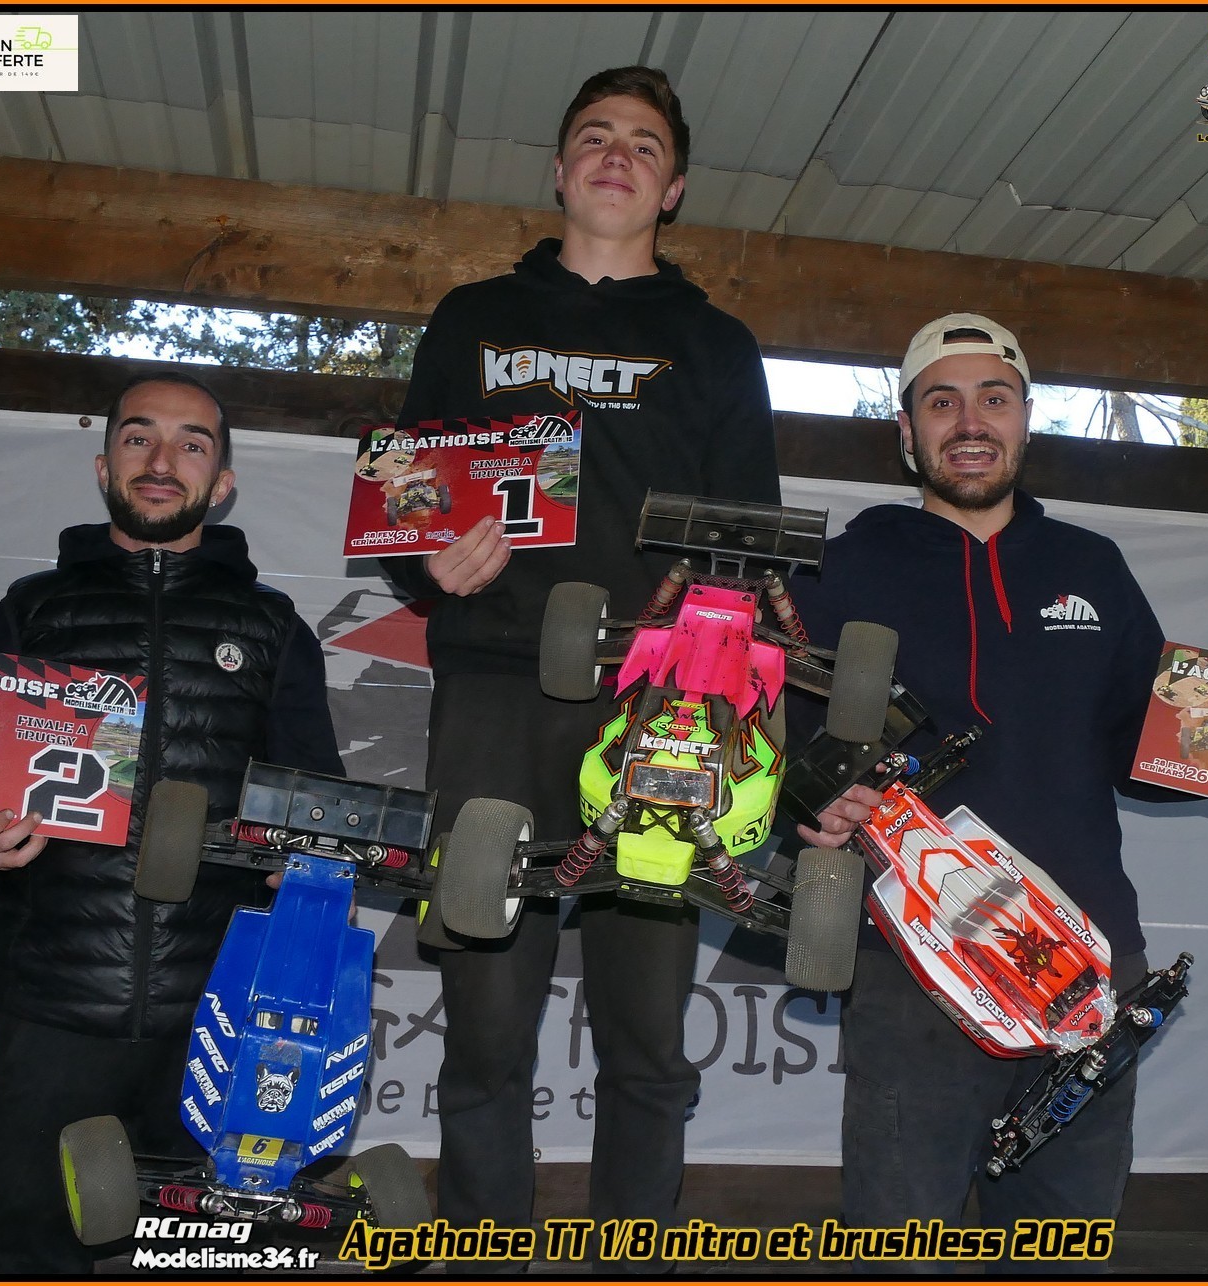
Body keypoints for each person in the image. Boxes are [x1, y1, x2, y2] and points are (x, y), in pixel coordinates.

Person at [786, 314, 1208, 1259]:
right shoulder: (838, 570)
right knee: (899, 1249)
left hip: (1087, 966)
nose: (970, 422)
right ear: (906, 430)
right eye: (942, 402)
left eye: (994, 399)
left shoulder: (1090, 567)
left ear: (1025, 419)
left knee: (1064, 1248)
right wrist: (811, 802)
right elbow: (775, 748)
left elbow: (1151, 746)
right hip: (916, 969)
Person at [380, 66, 779, 1252]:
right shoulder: (471, 316)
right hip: (494, 693)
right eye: (595, 137)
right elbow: (406, 496)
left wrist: (721, 693)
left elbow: (752, 543)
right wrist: (423, 559)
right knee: (485, 1020)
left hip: (657, 708)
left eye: (644, 144)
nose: (617, 155)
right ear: (560, 172)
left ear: (673, 189)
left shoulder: (716, 344)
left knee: (647, 1030)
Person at [0, 373, 343, 1275]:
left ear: (221, 483)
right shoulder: (26, 612)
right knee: (34, 1255)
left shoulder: (272, 627)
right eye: (139, 437)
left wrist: (306, 860)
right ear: (104, 465)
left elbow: (318, 801)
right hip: (53, 1006)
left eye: (193, 444)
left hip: (219, 1018)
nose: (162, 459)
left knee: (204, 1261)